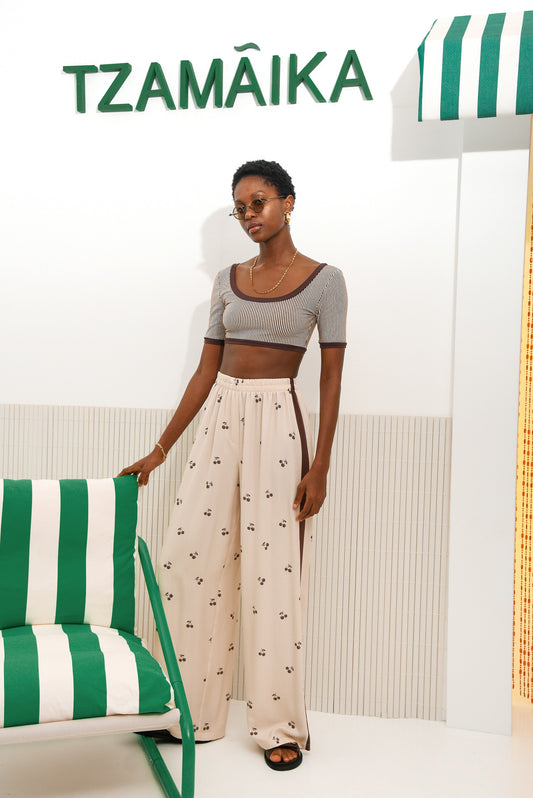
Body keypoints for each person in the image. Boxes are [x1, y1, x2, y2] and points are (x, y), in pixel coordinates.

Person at [119, 160, 347, 771]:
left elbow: (330, 378)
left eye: (260, 202)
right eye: (240, 207)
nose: (249, 215)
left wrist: (321, 466)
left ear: (288, 202)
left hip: (279, 421)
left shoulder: (326, 281)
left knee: (273, 575)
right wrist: (161, 448)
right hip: (220, 416)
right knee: (189, 558)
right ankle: (188, 710)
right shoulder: (227, 279)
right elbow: (205, 371)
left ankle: (278, 725)